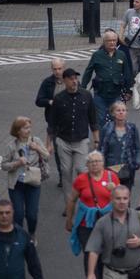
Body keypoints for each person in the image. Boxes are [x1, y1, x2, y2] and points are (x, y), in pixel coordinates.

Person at [66, 151, 119, 279]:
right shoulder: (81, 180)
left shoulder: (112, 177)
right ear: (87, 165)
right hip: (86, 224)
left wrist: (114, 190)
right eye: (91, 162)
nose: (95, 164)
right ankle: (92, 278)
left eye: (98, 161)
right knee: (90, 253)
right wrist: (69, 219)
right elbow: (72, 200)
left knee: (105, 254)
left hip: (107, 223)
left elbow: (121, 200)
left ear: (103, 163)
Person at [85, 186, 140, 279]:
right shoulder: (102, 222)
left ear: (129, 199)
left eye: (125, 198)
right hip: (111, 275)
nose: (122, 202)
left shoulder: (139, 217)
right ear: (111, 199)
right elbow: (94, 250)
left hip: (135, 275)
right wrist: (91, 273)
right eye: (118, 198)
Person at [51, 68, 99, 202]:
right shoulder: (59, 99)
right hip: (64, 140)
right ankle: (69, 202)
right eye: (71, 79)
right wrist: (49, 143)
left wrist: (96, 139)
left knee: (81, 169)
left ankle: (85, 198)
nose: (74, 81)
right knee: (66, 171)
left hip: (81, 140)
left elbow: (93, 119)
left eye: (75, 78)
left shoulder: (86, 96)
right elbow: (52, 123)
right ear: (64, 81)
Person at [0, 116, 48, 239]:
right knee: (18, 215)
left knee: (32, 214)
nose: (29, 130)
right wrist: (17, 163)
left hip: (33, 183)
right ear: (18, 131)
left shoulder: (36, 140)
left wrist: (37, 148)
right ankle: (19, 237)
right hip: (16, 185)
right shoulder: (11, 146)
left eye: (29, 127)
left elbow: (47, 156)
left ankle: (32, 233)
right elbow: (4, 166)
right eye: (25, 128)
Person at [0, 200, 43, 279]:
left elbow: (33, 262)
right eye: (1, 213)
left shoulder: (23, 235)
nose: (4, 216)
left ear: (13, 213)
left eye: (7, 212)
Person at [82, 29, 133, 124]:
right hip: (100, 93)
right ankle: (102, 138)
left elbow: (127, 73)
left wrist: (129, 90)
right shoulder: (97, 55)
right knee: (100, 119)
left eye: (114, 40)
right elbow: (88, 71)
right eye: (109, 40)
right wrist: (83, 88)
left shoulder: (121, 55)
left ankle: (112, 138)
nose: (112, 42)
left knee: (116, 119)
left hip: (116, 93)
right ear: (104, 42)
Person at [35, 58, 66, 187]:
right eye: (55, 69)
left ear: (64, 68)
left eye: (59, 68)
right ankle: (62, 177)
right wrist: (49, 102)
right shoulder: (47, 83)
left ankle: (68, 175)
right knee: (59, 152)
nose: (57, 71)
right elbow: (38, 101)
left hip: (70, 122)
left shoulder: (71, 80)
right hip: (54, 122)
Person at [99, 102, 140, 189]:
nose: (121, 112)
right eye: (118, 110)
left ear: (126, 113)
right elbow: (101, 148)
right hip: (110, 169)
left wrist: (136, 162)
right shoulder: (106, 128)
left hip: (127, 168)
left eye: (123, 110)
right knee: (111, 197)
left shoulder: (132, 128)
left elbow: (138, 148)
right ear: (113, 113)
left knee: (125, 198)